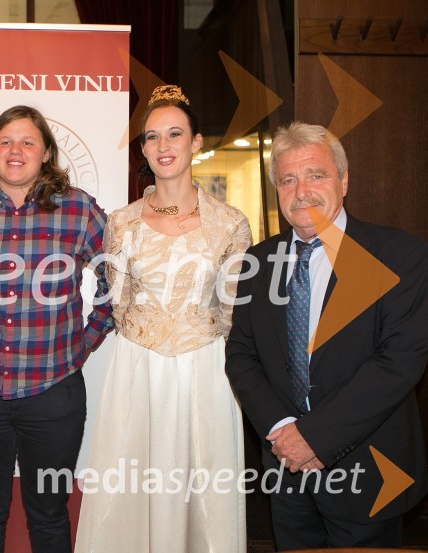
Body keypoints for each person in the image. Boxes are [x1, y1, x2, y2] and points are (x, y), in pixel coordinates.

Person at [226, 121, 428, 549]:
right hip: (286, 471)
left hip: (370, 470)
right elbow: (241, 355)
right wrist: (283, 432)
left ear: (344, 179)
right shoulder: (257, 263)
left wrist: (314, 437)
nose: (302, 190)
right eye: (288, 179)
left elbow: (399, 361)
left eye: (316, 174)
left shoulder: (401, 255)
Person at [75, 85, 251, 552]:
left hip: (208, 373)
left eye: (175, 134)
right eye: (152, 137)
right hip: (139, 372)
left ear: (196, 143)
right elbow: (117, 300)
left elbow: (234, 310)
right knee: (130, 483)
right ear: (143, 149)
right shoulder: (122, 222)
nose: (163, 146)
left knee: (203, 490)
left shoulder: (231, 223)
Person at [0, 105, 113, 553]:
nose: (16, 151)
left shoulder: (79, 210)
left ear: (46, 152)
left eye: (28, 141)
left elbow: (120, 282)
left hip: (54, 394)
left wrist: (81, 345)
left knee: (50, 516)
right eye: (5, 142)